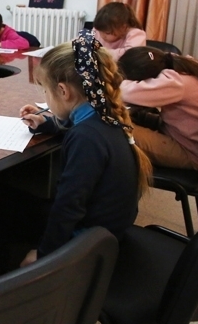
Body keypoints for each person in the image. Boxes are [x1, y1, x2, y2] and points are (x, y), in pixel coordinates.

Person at [19, 33, 152, 267]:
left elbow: (68, 206)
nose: (46, 98)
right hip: (109, 230)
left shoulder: (85, 139)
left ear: (63, 91)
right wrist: (47, 123)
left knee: (10, 214)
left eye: (46, 92)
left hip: (89, 245)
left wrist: (43, 256)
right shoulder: (106, 115)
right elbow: (78, 124)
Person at [118, 46, 198, 170]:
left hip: (190, 152)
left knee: (112, 129)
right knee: (124, 119)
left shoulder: (176, 83)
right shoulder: (175, 63)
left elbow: (125, 92)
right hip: (178, 132)